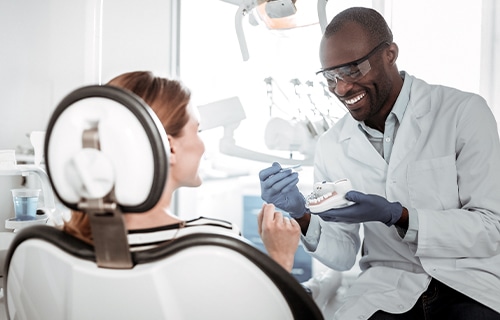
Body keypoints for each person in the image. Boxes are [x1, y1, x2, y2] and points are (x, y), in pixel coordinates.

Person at [259, 6, 500, 320]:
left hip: (467, 283)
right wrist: (302, 215)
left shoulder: (463, 113)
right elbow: (344, 252)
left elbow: (490, 228)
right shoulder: (332, 145)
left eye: (353, 70)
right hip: (386, 290)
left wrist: (399, 216)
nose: (342, 88)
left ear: (390, 54)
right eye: (331, 77)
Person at [62, 71, 299, 272]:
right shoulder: (215, 242)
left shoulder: (64, 244)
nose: (202, 145)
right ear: (170, 147)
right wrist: (280, 256)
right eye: (197, 131)